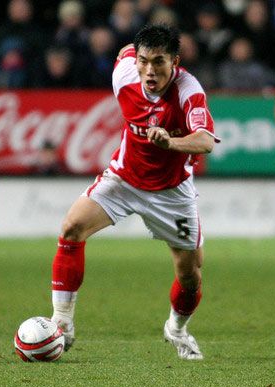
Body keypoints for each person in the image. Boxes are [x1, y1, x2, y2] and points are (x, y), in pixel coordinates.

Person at [50, 24, 219, 361]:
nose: (150, 70)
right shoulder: (125, 73)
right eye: (144, 61)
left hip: (172, 192)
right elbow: (125, 50)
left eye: (159, 62)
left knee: (190, 276)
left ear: (174, 62)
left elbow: (205, 141)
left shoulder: (188, 91)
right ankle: (61, 323)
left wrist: (170, 142)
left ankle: (176, 329)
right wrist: (137, 49)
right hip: (124, 179)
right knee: (71, 228)